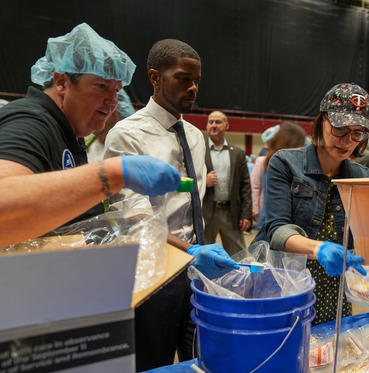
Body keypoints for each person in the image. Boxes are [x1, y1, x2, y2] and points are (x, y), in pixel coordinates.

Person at [104, 39, 238, 371]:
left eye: (197, 80)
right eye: (182, 78)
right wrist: (186, 251)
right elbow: (134, 217)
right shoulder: (128, 135)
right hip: (153, 272)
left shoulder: (194, 135)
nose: (192, 87)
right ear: (154, 77)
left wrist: (197, 252)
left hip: (197, 271)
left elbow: (189, 193)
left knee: (203, 360)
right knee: (154, 362)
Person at [0, 23, 182, 246]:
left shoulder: (69, 133)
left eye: (116, 90)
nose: (113, 101)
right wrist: (112, 174)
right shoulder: (30, 121)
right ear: (61, 82)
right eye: (101, 86)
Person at [255, 83, 369, 326]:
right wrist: (318, 249)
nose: (347, 141)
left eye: (357, 133)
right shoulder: (285, 163)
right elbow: (277, 229)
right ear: (322, 121)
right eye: (340, 129)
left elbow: (367, 230)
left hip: (334, 286)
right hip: (288, 282)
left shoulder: (362, 176)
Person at [203, 110, 252, 256]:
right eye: (210, 122)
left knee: (239, 256)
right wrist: (202, 182)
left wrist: (246, 214)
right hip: (205, 212)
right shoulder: (198, 151)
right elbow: (186, 177)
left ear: (226, 125)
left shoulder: (238, 153)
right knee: (203, 255)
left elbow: (245, 186)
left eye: (218, 122)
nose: (214, 125)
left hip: (231, 212)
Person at [251, 121, 307, 232]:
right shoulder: (267, 162)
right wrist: (255, 209)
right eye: (299, 145)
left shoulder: (299, 163)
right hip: (272, 219)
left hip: (282, 220)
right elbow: (255, 187)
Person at [86, 90, 136, 162]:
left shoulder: (130, 151)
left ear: (119, 112)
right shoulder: (84, 144)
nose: (91, 114)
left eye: (102, 111)